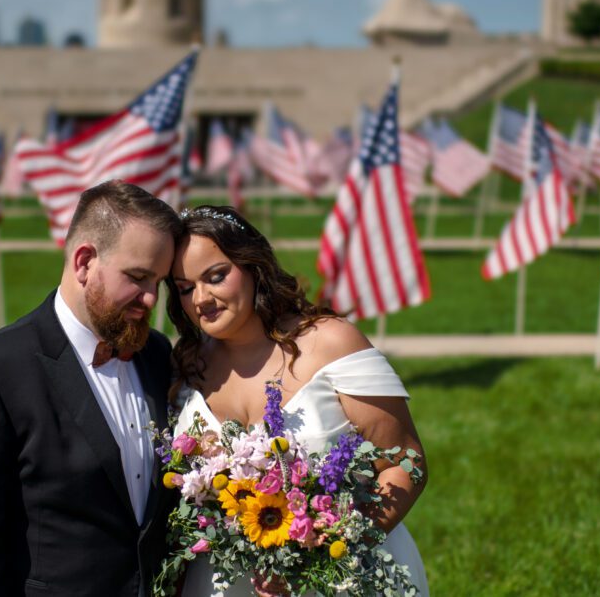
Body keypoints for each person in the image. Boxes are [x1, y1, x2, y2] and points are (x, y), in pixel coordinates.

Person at [0, 180, 182, 595]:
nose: (151, 299)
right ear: (84, 262)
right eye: (138, 277)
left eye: (159, 282)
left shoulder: (154, 353)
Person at [166, 206, 428, 597]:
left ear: (253, 266)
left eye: (216, 276)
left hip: (343, 579)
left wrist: (324, 557)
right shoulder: (185, 365)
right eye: (185, 288)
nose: (201, 298)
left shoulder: (331, 343)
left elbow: (406, 461)